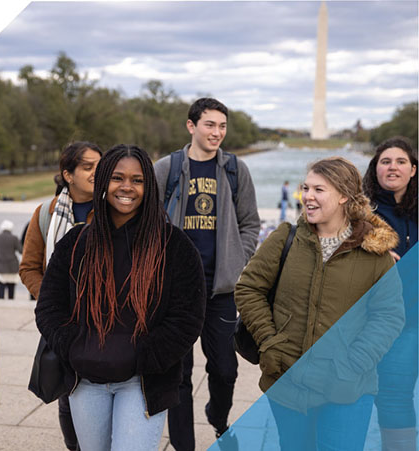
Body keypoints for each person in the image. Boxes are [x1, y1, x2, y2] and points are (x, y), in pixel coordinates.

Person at [35, 144, 206, 451]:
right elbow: (49, 307)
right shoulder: (76, 243)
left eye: (137, 180)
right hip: (85, 380)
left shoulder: (174, 246)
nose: (127, 187)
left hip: (142, 382)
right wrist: (74, 346)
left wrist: (144, 355)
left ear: (148, 186)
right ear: (103, 183)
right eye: (117, 178)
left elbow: (188, 317)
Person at [235, 157, 405, 450]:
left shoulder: (376, 255)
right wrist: (270, 342)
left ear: (343, 196)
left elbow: (389, 316)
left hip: (349, 389)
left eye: (319, 190)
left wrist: (355, 362)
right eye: (306, 188)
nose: (307, 196)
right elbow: (249, 289)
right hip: (287, 381)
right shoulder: (285, 238)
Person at [154, 97, 260, 450]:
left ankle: (217, 417)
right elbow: (149, 225)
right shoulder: (166, 169)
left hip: (221, 291)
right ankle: (184, 445)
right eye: (210, 125)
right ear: (191, 126)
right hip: (176, 293)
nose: (217, 132)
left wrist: (238, 260)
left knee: (225, 370)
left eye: (222, 126)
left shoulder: (235, 170)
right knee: (178, 376)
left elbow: (250, 223)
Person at [20, 141, 102, 451]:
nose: (97, 173)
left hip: (105, 320)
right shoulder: (45, 214)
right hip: (63, 323)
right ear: (67, 174)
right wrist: (52, 302)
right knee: (68, 393)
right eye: (87, 167)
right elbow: (29, 267)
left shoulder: (114, 208)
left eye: (99, 166)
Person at [362, 136, 418, 450]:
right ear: (376, 169)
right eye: (385, 161)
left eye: (400, 161)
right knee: (394, 396)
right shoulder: (362, 214)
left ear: (413, 169)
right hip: (390, 322)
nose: (392, 167)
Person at [0, 219, 22, 300]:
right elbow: (21, 250)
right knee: (11, 288)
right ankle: (10, 300)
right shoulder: (14, 238)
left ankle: (1, 300)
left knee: (0, 286)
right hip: (12, 266)